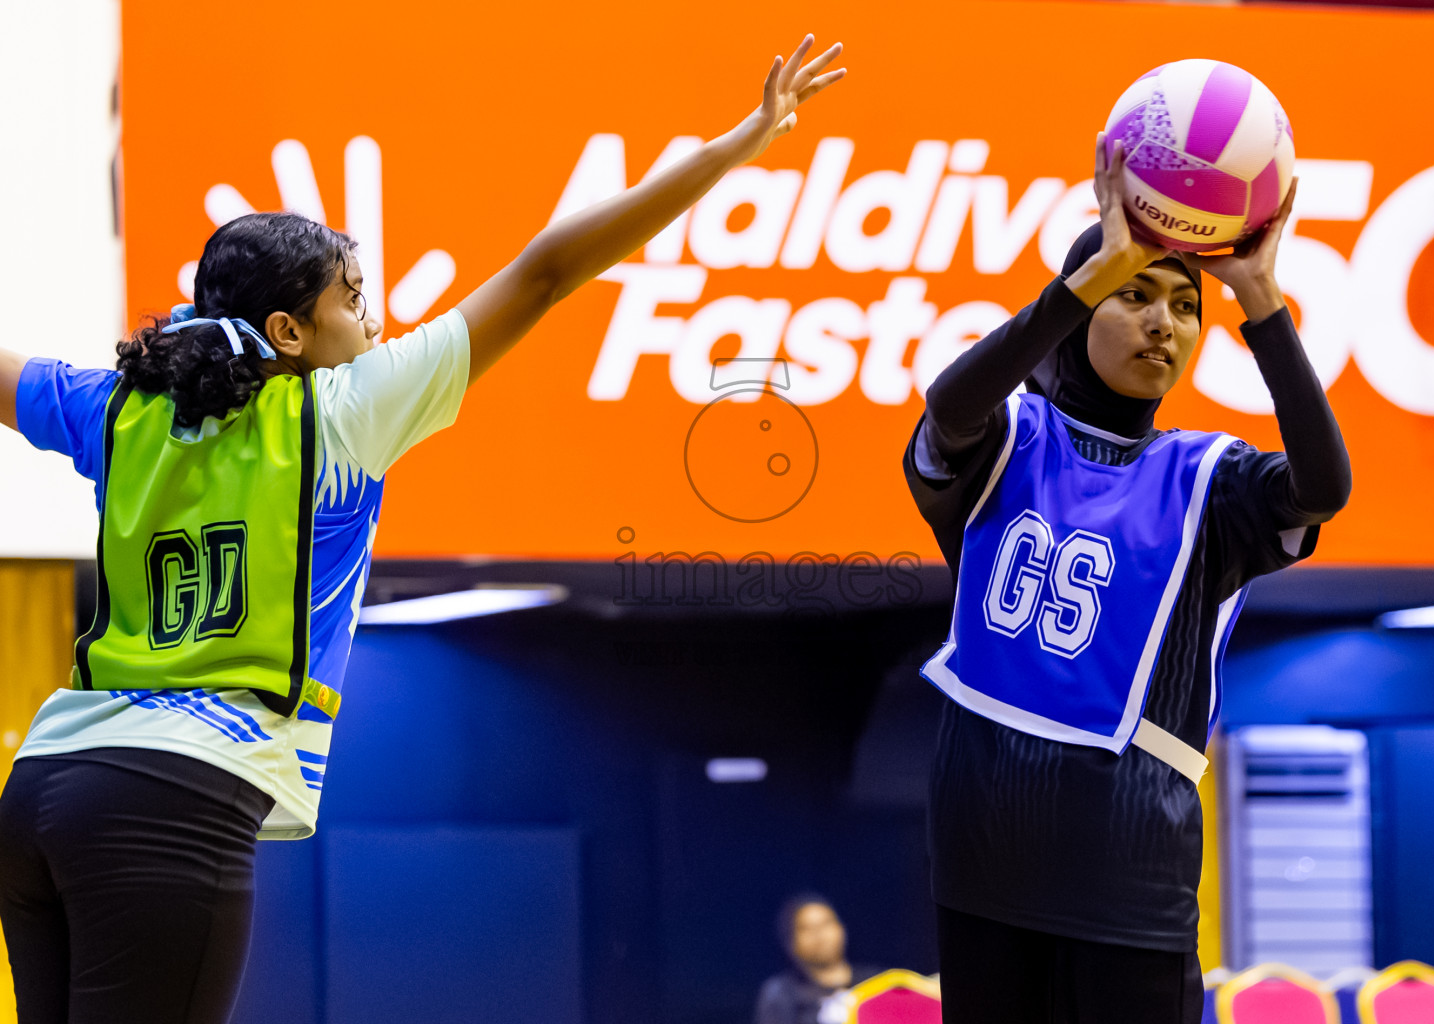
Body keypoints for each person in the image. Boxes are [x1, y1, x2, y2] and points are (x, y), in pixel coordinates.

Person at [0, 36, 845, 1024]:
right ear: (290, 333)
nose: (374, 319)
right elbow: (545, 272)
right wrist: (734, 147)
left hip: (43, 787)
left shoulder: (115, 407)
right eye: (352, 300)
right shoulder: (344, 409)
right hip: (174, 797)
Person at [903, 136, 1350, 1024]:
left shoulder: (1211, 481)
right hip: (982, 850)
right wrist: (1081, 279)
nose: (1163, 323)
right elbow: (950, 406)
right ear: (1077, 313)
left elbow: (1324, 487)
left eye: (1185, 306)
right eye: (1132, 294)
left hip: (1130, 872)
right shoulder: (1007, 440)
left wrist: (1259, 300)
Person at [754, 894, 882, 1024]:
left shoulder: (878, 983)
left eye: (826, 923)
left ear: (841, 928)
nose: (819, 935)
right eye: (807, 928)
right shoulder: (781, 994)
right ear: (790, 942)